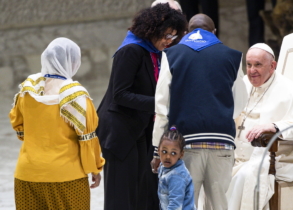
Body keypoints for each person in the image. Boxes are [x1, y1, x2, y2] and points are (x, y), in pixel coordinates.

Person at [151, 14, 248, 210]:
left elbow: (161, 107)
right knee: (220, 205)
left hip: (184, 145)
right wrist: (219, 114)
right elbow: (240, 102)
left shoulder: (172, 55)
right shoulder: (232, 56)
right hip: (222, 142)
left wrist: (156, 149)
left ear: (187, 32)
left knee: (183, 203)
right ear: (214, 32)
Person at [96, 4, 187, 210]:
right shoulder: (131, 50)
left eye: (173, 37)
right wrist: (161, 104)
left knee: (142, 194)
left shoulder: (152, 52)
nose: (168, 41)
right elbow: (120, 95)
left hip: (139, 128)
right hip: (120, 133)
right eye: (166, 35)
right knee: (121, 197)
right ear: (151, 30)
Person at [8, 37, 105, 209]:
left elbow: (20, 130)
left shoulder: (27, 89)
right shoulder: (75, 95)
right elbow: (87, 138)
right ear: (72, 62)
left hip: (27, 175)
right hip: (67, 177)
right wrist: (95, 168)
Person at [225, 43, 293, 210]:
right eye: (249, 64)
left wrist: (275, 126)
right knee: (212, 171)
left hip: (278, 157)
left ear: (272, 66)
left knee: (244, 177)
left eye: (258, 65)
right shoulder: (243, 84)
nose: (252, 70)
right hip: (238, 155)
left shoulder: (291, 91)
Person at [157, 126, 196, 210]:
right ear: (158, 151)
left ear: (181, 154)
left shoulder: (177, 176)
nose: (168, 156)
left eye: (173, 153)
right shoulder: (163, 168)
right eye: (164, 151)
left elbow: (175, 206)